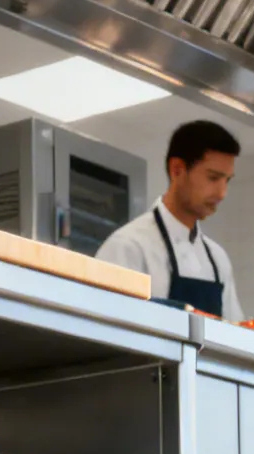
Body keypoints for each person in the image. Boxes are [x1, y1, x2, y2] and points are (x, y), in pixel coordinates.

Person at [96, 121, 244, 321]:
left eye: (227, 180)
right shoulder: (129, 247)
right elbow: (104, 328)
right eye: (213, 178)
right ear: (177, 170)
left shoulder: (218, 260)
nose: (222, 193)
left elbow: (235, 332)